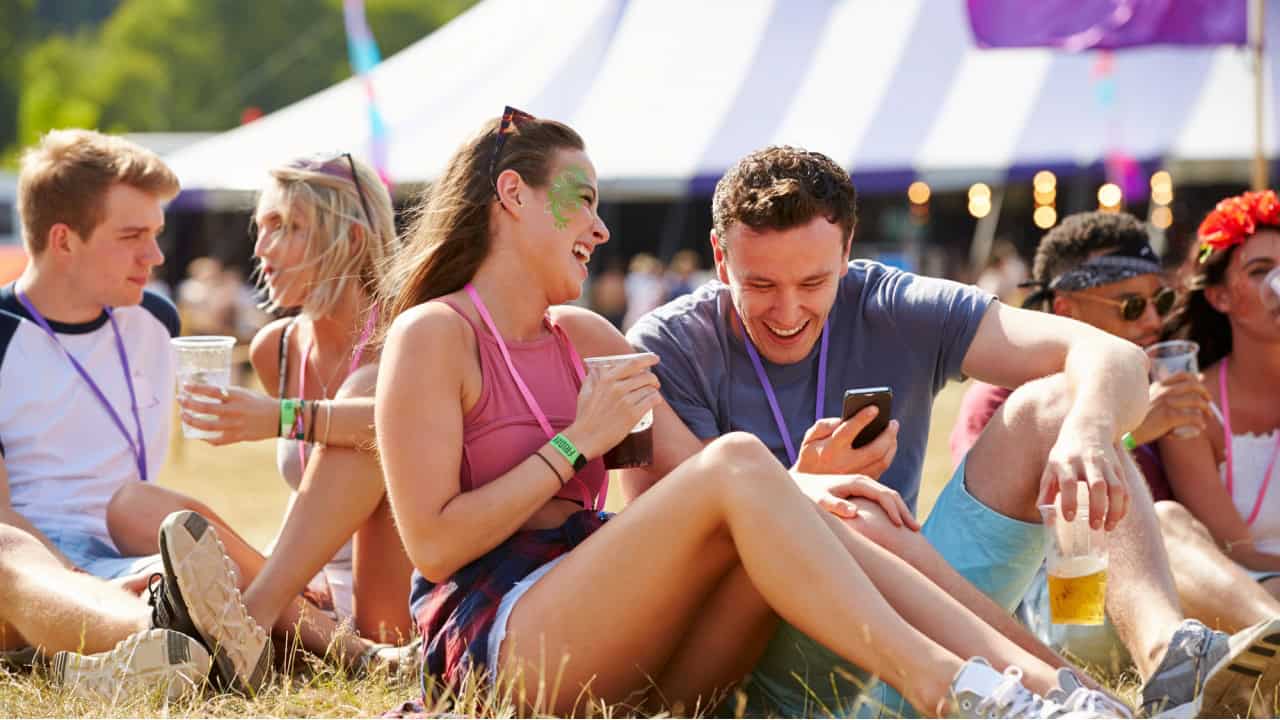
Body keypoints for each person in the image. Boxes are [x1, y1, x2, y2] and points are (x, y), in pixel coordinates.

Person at [375, 108, 1127, 719]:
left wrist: (814, 487)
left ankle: (1053, 690)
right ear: (514, 196)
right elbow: (435, 548)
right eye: (584, 201)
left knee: (834, 504)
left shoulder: (591, 341)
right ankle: (950, 689)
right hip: (503, 644)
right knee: (747, 462)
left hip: (644, 663)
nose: (601, 229)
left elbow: (698, 495)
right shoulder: (435, 335)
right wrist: (575, 446)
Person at [625, 146, 1280, 719]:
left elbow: (1111, 359)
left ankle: (1171, 663)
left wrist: (1088, 428)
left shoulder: (891, 302)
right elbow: (659, 551)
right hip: (770, 646)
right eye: (759, 284)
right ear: (719, 256)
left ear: (848, 252)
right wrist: (798, 493)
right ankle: (1061, 684)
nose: (788, 311)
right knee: (853, 515)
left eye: (815, 282)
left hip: (923, 612)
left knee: (1053, 406)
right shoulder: (666, 345)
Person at [107, 153, 415, 660]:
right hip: (307, 598)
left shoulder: (413, 330)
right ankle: (295, 627)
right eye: (261, 226)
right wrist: (285, 566)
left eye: (285, 227)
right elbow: (315, 490)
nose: (261, 249)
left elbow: (403, 427)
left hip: (395, 595)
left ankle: (259, 617)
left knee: (365, 403)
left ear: (353, 240)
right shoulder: (280, 347)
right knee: (132, 507)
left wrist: (278, 417)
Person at [0, 129, 269, 697]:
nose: (156, 256)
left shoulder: (156, 320)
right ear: (64, 241)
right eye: (132, 236)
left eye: (156, 234)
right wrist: (79, 582)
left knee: (155, 517)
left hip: (128, 549)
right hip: (39, 563)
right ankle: (175, 630)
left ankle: (334, 640)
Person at [951, 210, 1280, 674]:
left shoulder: (1162, 381)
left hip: (1161, 604)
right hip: (1067, 607)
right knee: (1166, 522)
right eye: (1130, 305)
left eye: (1160, 301)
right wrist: (1131, 430)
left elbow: (1216, 547)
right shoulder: (1009, 394)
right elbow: (993, 533)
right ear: (1066, 310)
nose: (1152, 320)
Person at [1161, 190, 1280, 608]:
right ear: (1219, 297)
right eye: (1260, 270)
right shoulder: (1191, 403)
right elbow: (1234, 549)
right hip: (1248, 589)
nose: (1277, 284)